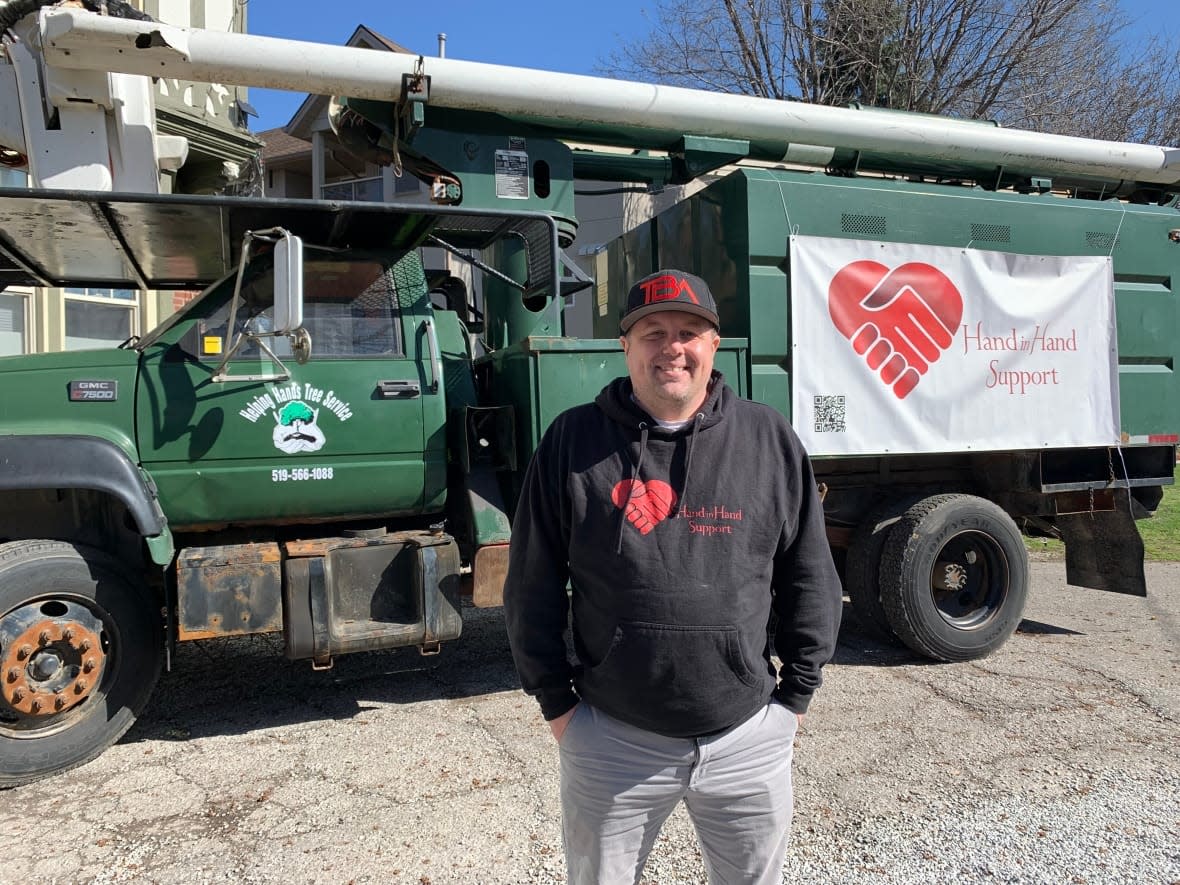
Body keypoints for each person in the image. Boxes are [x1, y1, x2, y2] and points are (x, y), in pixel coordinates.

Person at [503, 268, 843, 885]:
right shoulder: (572, 441)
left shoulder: (768, 438)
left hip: (747, 737)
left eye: (689, 331)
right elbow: (532, 582)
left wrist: (795, 698)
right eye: (652, 332)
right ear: (626, 347)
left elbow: (809, 574)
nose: (672, 348)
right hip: (612, 740)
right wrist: (558, 705)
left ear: (714, 345)